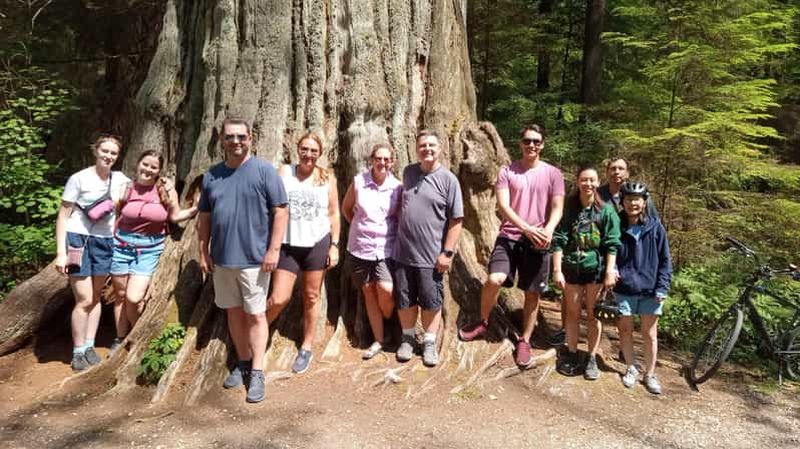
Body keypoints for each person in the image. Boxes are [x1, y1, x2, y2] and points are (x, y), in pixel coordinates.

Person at [458, 124, 565, 367]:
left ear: (543, 144)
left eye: (536, 141)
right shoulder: (508, 172)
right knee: (494, 279)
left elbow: (558, 207)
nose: (532, 145)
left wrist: (547, 230)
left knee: (532, 293)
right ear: (521, 143)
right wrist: (526, 228)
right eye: (527, 141)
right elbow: (504, 207)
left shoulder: (553, 174)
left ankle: (525, 341)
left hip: (539, 240)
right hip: (509, 236)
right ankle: (483, 322)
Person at [197, 118, 288, 404]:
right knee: (233, 313)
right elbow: (205, 218)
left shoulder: (264, 171)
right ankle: (244, 362)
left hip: (254, 260)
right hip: (223, 259)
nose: (236, 141)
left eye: (241, 136)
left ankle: (257, 372)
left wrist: (273, 250)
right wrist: (203, 251)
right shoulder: (212, 175)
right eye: (230, 137)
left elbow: (281, 211)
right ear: (221, 140)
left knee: (257, 314)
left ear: (251, 138)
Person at [54, 135, 131, 371]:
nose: (108, 156)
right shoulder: (78, 179)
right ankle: (77, 351)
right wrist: (60, 252)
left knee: (97, 297)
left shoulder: (120, 179)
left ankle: (89, 346)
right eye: (104, 151)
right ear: (96, 151)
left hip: (105, 241)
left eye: (113, 153)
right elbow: (63, 216)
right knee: (84, 299)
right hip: (78, 241)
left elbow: (145, 186)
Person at [109, 150, 198, 352]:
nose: (148, 169)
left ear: (159, 171)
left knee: (134, 297)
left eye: (153, 167)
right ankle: (119, 338)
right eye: (145, 164)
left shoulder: (165, 191)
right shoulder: (126, 189)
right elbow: (115, 215)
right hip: (121, 247)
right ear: (138, 164)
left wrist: (195, 209)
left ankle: (136, 336)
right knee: (120, 296)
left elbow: (175, 217)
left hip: (149, 250)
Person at [266, 132, 341, 375]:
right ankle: (256, 333)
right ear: (297, 150)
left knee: (311, 296)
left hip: (316, 243)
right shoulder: (284, 172)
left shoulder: (326, 176)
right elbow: (273, 206)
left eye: (314, 151)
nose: (309, 154)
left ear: (320, 153)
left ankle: (306, 346)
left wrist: (335, 245)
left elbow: (334, 213)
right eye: (305, 149)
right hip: (287, 243)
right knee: (279, 298)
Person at [394, 129, 464, 367]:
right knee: (405, 299)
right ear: (416, 149)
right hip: (403, 253)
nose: (427, 149)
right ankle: (408, 338)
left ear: (440, 148)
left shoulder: (449, 180)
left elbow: (456, 220)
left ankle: (430, 342)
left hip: (432, 256)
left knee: (431, 301)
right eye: (423, 145)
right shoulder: (408, 172)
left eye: (432, 145)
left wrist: (447, 252)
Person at [552, 165, 621, 379]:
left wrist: (610, 270)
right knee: (572, 313)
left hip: (595, 269)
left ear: (597, 182)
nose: (588, 184)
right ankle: (572, 353)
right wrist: (557, 270)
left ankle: (591, 357)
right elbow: (559, 240)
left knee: (593, 315)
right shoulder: (569, 208)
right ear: (577, 181)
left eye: (592, 180)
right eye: (584, 180)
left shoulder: (606, 210)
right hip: (572, 268)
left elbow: (612, 243)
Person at [341, 143, 403, 360]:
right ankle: (380, 339)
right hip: (360, 248)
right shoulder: (359, 182)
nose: (382, 163)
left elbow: (399, 218)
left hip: (386, 249)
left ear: (392, 162)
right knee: (368, 291)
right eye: (379, 158)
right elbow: (346, 209)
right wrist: (358, 226)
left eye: (387, 159)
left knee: (386, 290)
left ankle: (389, 318)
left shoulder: (397, 187)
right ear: (372, 160)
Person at [614, 182, 672, 394]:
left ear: (645, 202)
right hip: (624, 288)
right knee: (625, 331)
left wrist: (662, 287)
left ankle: (650, 373)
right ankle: (631, 367)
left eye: (637, 199)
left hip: (650, 289)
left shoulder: (655, 227)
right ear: (623, 202)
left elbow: (665, 261)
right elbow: (609, 252)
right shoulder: (617, 225)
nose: (633, 203)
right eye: (628, 199)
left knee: (649, 334)